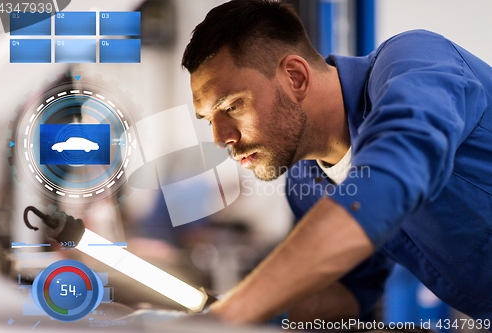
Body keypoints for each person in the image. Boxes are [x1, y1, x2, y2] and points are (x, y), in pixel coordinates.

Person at [182, 0, 492, 324]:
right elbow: (348, 293)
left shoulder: (416, 60)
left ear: (296, 77)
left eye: (232, 106)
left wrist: (227, 315)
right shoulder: (305, 185)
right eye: (208, 120)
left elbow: (387, 182)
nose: (220, 137)